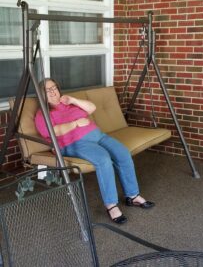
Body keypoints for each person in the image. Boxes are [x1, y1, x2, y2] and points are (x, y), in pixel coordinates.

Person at [35, 78, 155, 224]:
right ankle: (111, 205)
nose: (53, 92)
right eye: (48, 90)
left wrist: (73, 100)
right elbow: (54, 131)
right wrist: (75, 123)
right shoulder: (42, 114)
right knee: (103, 159)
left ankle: (133, 196)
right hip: (74, 143)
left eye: (54, 87)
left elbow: (91, 108)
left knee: (122, 152)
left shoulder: (67, 102)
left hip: (98, 136)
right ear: (42, 95)